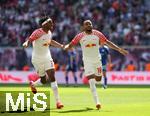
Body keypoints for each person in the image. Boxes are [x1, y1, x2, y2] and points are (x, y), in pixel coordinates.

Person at [63, 20, 128, 110]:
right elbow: (71, 44)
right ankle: (97, 102)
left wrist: (119, 49)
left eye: (90, 24)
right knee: (91, 81)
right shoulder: (80, 36)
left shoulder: (98, 34)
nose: (89, 25)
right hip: (87, 61)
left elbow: (107, 42)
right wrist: (66, 47)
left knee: (98, 79)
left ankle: (91, 75)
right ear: (83, 27)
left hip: (97, 60)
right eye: (87, 24)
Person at [23, 16, 64, 109]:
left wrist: (61, 46)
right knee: (44, 80)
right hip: (37, 59)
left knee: (52, 76)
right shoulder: (37, 32)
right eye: (50, 22)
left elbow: (50, 41)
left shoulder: (49, 32)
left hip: (47, 57)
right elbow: (30, 39)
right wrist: (26, 43)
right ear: (44, 24)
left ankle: (58, 102)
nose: (52, 24)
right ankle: (33, 84)